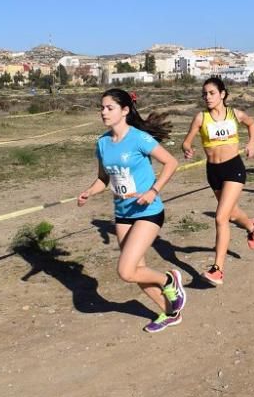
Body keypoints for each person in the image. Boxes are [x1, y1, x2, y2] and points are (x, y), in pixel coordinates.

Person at [77, 89, 184, 332]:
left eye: (109, 108)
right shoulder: (102, 143)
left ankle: (169, 280)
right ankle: (170, 312)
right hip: (123, 214)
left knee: (125, 271)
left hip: (148, 211)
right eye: (102, 107)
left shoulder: (139, 138)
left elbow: (171, 162)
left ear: (124, 111)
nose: (103, 112)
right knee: (136, 270)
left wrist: (153, 191)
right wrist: (89, 192)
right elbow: (103, 179)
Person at [181, 77, 254, 286]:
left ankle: (217, 269)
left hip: (233, 168)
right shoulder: (201, 117)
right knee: (232, 213)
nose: (207, 97)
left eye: (211, 93)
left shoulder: (234, 114)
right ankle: (252, 227)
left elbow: (251, 122)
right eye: (205, 94)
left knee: (220, 218)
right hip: (213, 171)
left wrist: (251, 142)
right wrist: (187, 148)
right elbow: (187, 140)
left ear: (222, 94)